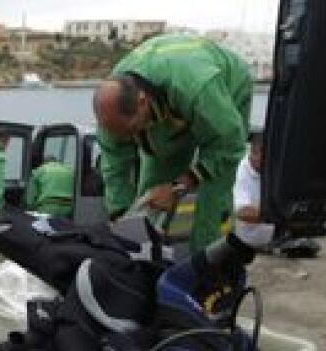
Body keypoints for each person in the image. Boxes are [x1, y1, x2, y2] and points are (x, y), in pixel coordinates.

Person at [93, 34, 253, 254]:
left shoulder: (197, 88)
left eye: (131, 132)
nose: (126, 139)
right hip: (169, 104)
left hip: (223, 92)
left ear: (142, 102)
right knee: (151, 197)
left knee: (214, 192)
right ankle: (144, 260)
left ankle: (210, 267)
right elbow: (114, 167)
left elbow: (228, 146)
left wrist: (179, 185)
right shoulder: (113, 113)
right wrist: (121, 217)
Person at [232, 131, 275, 249]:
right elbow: (242, 212)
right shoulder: (242, 171)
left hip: (274, 242)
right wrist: (276, 215)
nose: (256, 157)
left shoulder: (275, 167)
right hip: (248, 245)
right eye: (254, 152)